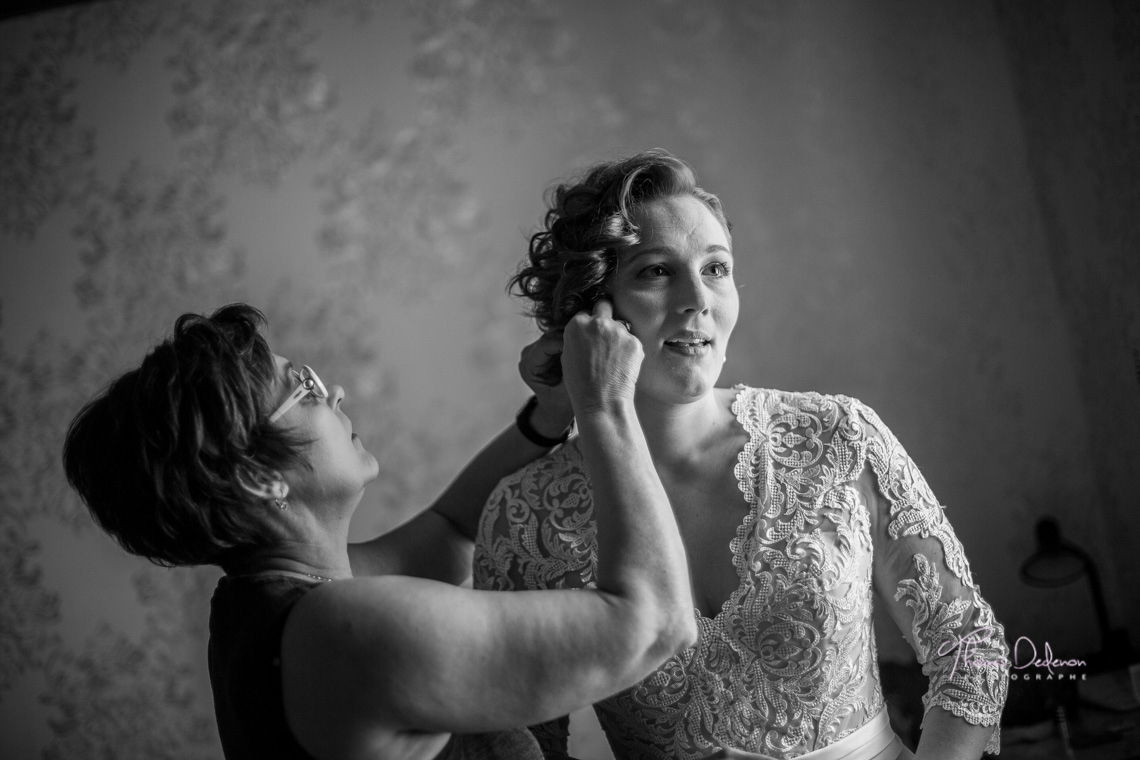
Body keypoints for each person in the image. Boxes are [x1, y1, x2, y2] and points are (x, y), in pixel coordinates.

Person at [467, 150, 1010, 760]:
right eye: (655, 272)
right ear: (594, 313)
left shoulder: (837, 437)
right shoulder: (529, 516)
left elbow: (969, 649)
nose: (698, 298)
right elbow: (517, 743)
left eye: (717, 268)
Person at [62, 301, 699, 760]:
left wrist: (553, 409)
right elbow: (654, 625)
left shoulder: (272, 599)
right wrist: (606, 404)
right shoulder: (345, 635)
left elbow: (451, 528)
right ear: (259, 478)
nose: (332, 390)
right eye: (303, 388)